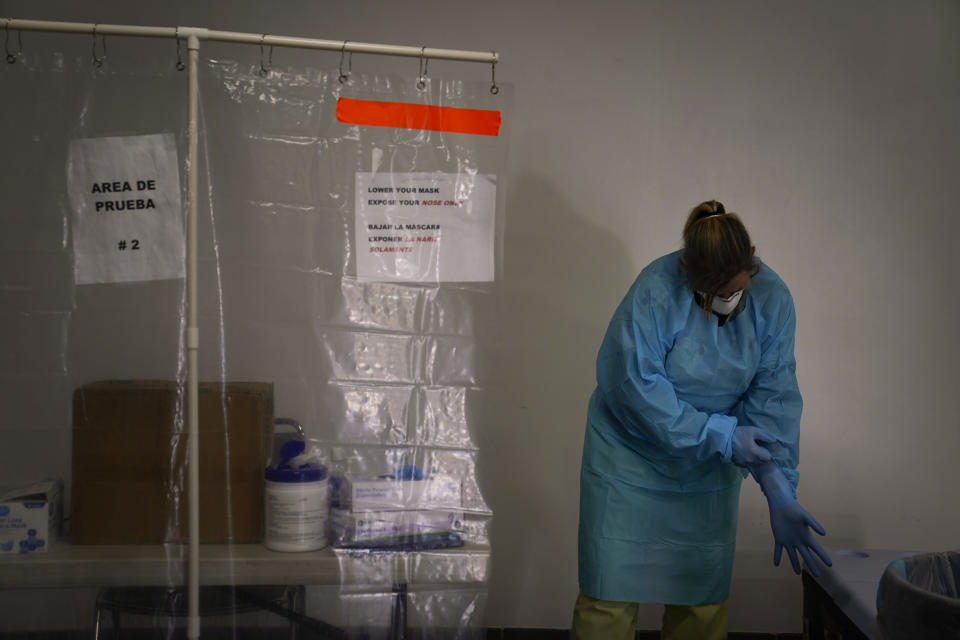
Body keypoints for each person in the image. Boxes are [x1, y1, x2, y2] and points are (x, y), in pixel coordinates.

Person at [571, 200, 832, 640]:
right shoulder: (656, 289)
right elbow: (635, 388)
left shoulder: (773, 299)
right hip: (627, 457)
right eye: (716, 295)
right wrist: (720, 435)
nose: (728, 303)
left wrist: (776, 482)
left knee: (701, 598)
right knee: (609, 593)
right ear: (687, 269)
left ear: (752, 260)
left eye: (737, 291)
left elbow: (774, 392)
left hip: (706, 465)